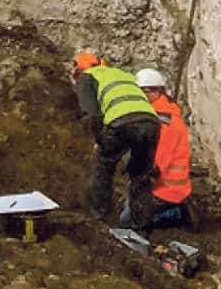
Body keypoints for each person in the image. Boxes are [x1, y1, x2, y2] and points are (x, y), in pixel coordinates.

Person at [72, 50, 161, 231]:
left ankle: (99, 219)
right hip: (150, 122)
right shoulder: (123, 75)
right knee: (141, 175)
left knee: (103, 165)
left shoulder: (87, 77)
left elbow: (92, 114)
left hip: (120, 122)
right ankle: (141, 227)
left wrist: (100, 139)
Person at [125, 66, 193, 230]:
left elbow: (160, 158)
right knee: (131, 205)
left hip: (168, 190)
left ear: (151, 92)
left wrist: (142, 179)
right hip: (163, 184)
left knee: (129, 221)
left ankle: (177, 213)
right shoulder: (157, 114)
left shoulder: (165, 123)